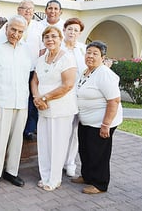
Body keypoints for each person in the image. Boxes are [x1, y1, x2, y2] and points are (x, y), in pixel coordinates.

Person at [0, 15, 32, 190]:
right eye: (13, 29)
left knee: (17, 140)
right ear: (6, 28)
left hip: (21, 102)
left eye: (20, 31)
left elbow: (31, 75)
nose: (16, 34)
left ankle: (11, 172)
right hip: (0, 101)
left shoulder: (26, 49)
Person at [72, 41, 123, 194]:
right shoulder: (86, 71)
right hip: (86, 121)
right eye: (88, 52)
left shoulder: (105, 74)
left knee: (98, 153)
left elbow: (113, 100)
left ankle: (100, 184)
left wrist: (106, 125)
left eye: (95, 53)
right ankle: (87, 176)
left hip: (101, 122)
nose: (90, 56)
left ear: (102, 57)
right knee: (85, 150)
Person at [31, 25, 77, 191]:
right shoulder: (41, 58)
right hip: (43, 108)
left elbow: (68, 85)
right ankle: (45, 176)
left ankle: (55, 179)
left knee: (57, 144)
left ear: (60, 39)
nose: (50, 40)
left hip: (61, 108)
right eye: (47, 37)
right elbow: (34, 81)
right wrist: (37, 98)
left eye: (53, 36)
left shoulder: (67, 58)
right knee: (44, 143)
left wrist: (45, 97)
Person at [61, 17, 87, 177]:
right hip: (63, 94)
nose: (72, 32)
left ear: (80, 33)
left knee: (75, 130)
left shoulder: (83, 49)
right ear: (64, 30)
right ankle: (57, 159)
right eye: (70, 29)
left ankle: (69, 162)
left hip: (80, 95)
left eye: (76, 30)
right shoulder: (58, 47)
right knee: (63, 130)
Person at [17, 0, 43, 141]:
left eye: (31, 9)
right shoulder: (13, 24)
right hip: (17, 70)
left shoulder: (38, 27)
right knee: (20, 98)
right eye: (25, 8)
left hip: (33, 69)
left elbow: (43, 48)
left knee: (32, 99)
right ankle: (17, 127)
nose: (28, 11)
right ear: (18, 10)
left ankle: (29, 129)